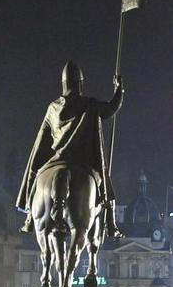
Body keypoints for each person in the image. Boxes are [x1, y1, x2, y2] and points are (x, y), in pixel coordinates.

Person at [16, 61, 123, 237]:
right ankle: (111, 224)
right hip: (83, 160)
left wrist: (36, 165)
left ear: (64, 83)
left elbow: (41, 140)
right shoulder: (89, 104)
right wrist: (119, 88)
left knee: (36, 176)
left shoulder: (53, 108)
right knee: (105, 183)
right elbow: (112, 108)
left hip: (57, 158)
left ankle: (29, 216)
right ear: (80, 83)